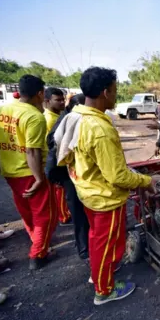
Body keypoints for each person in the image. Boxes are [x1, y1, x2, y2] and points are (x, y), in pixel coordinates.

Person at [55, 67, 155, 305]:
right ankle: (105, 290)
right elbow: (118, 176)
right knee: (108, 245)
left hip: (88, 191)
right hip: (105, 198)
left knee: (97, 239)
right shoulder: (99, 129)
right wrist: (147, 181)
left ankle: (98, 276)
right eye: (114, 90)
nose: (116, 94)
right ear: (104, 92)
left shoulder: (77, 115)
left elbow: (65, 149)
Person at [0, 75, 57, 270]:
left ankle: (36, 242)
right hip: (29, 172)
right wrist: (39, 178)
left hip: (10, 171)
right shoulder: (33, 116)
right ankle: (38, 254)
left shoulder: (2, 110)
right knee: (45, 215)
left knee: (26, 211)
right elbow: (32, 150)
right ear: (40, 93)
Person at [46, 93, 90, 261]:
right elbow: (54, 152)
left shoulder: (65, 120)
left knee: (81, 212)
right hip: (70, 175)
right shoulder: (66, 123)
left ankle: (83, 244)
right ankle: (84, 249)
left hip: (72, 174)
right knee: (79, 212)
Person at [44, 87, 72, 226]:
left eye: (63, 99)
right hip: (55, 160)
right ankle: (64, 216)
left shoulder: (57, 116)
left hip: (57, 159)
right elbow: (51, 144)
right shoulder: (49, 120)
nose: (62, 103)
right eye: (57, 100)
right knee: (60, 190)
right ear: (47, 101)